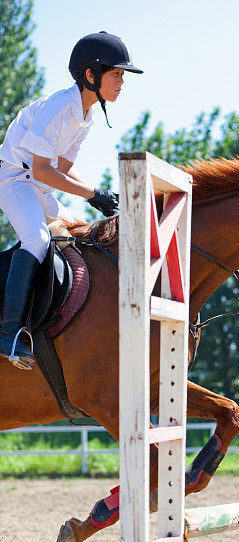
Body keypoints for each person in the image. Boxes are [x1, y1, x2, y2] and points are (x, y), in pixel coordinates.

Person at [0, 31, 143, 369]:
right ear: (91, 75)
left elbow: (63, 168)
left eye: (122, 75)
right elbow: (41, 171)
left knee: (76, 232)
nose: (122, 82)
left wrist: (100, 196)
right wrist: (92, 193)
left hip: (35, 183)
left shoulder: (87, 115)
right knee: (37, 239)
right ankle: (9, 334)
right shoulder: (59, 105)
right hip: (12, 178)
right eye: (117, 74)